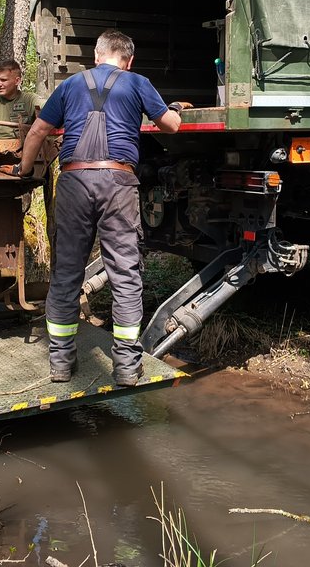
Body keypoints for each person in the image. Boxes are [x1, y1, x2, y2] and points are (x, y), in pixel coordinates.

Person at [10, 29, 182, 386]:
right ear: (129, 60)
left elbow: (38, 131)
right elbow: (171, 126)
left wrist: (23, 170)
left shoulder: (71, 85)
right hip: (118, 184)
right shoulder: (137, 82)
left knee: (67, 273)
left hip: (73, 183)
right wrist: (176, 108)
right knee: (125, 274)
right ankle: (126, 369)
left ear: (96, 56)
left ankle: (60, 364)